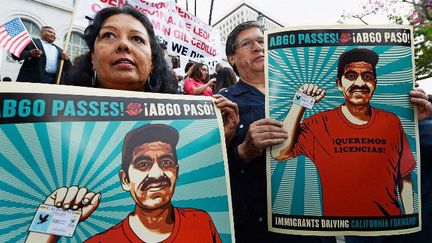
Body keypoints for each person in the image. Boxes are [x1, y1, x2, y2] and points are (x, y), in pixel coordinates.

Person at [220, 20, 331, 243]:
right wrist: (243, 152)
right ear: (231, 57)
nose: (258, 47)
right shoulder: (224, 103)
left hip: (313, 218)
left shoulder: (303, 90)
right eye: (246, 43)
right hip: (258, 227)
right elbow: (212, 171)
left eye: (262, 41)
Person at [272, 48, 416, 217]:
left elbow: (404, 178)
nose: (360, 83)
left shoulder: (391, 122)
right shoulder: (319, 124)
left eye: (367, 77)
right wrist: (299, 103)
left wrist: (409, 221)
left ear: (375, 83)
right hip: (341, 232)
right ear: (339, 83)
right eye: (351, 76)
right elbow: (279, 152)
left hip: (389, 228)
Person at [26, 124, 222, 242]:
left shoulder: (201, 221)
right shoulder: (101, 242)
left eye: (166, 162)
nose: (156, 173)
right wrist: (46, 232)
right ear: (125, 180)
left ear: (176, 172)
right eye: (143, 164)